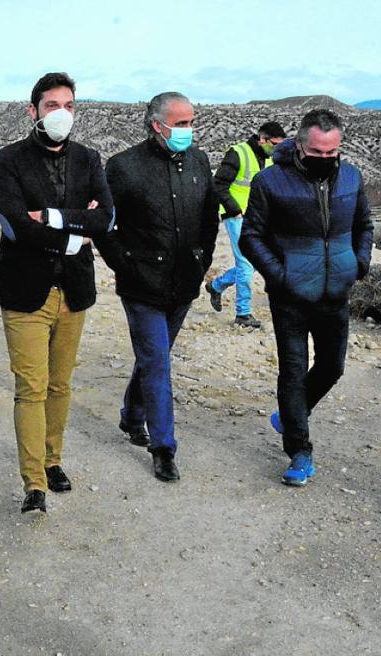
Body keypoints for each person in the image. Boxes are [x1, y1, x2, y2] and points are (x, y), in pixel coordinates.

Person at [0, 72, 115, 513]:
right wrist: (75, 230)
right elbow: (15, 226)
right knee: (32, 388)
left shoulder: (89, 158)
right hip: (25, 292)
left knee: (60, 385)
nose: (61, 114)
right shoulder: (7, 159)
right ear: (33, 111)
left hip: (73, 289)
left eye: (68, 106)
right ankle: (34, 483)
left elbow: (107, 220)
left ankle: (53, 459)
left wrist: (51, 216)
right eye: (51, 106)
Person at [239, 109, 373, 486]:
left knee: (332, 368)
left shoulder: (351, 177)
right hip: (291, 298)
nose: (325, 160)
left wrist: (359, 264)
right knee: (294, 374)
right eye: (317, 152)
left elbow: (364, 224)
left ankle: (290, 414)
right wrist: (279, 276)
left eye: (332, 153)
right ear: (298, 145)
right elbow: (251, 236)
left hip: (336, 294)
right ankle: (299, 450)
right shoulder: (270, 181)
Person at [96, 92, 218, 482]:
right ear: (156, 124)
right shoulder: (124, 167)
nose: (188, 130)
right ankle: (163, 447)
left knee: (155, 356)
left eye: (191, 122)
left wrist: (203, 262)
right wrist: (125, 266)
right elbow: (105, 225)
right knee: (158, 361)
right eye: (181, 124)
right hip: (142, 286)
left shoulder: (198, 161)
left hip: (184, 281)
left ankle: (133, 415)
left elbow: (209, 217)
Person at [206, 121, 288, 328]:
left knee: (257, 262)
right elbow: (219, 185)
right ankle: (243, 313)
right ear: (262, 139)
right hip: (237, 216)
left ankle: (216, 285)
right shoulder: (238, 153)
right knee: (245, 262)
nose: (277, 148)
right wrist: (234, 209)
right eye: (274, 143)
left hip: (259, 217)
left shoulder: (270, 160)